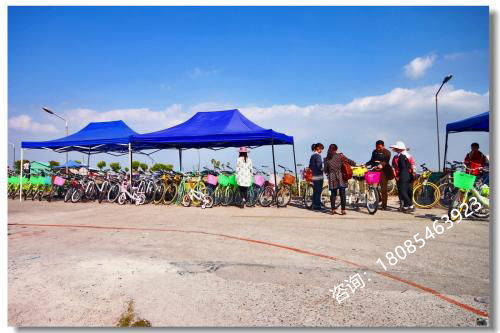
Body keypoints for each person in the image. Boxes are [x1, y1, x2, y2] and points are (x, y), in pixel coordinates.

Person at [324, 144, 356, 215]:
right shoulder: (340, 156)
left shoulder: (326, 158)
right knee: (342, 193)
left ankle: (332, 210)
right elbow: (350, 162)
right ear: (336, 149)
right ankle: (343, 210)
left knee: (333, 194)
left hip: (332, 176)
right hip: (340, 176)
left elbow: (325, 170)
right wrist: (355, 164)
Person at [366, 140, 394, 210]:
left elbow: (386, 161)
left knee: (383, 189)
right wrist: (365, 164)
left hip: (384, 172)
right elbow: (372, 160)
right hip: (375, 171)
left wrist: (381, 165)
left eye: (379, 147)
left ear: (383, 146)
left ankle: (384, 206)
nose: (378, 149)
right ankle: (379, 199)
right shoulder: (374, 151)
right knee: (373, 187)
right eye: (377, 147)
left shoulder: (387, 152)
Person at [390, 141, 415, 213]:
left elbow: (412, 165)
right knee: (402, 192)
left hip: (405, 175)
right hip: (401, 175)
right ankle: (405, 206)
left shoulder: (406, 156)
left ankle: (410, 206)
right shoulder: (396, 157)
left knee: (405, 191)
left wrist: (413, 173)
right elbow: (393, 166)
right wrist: (395, 175)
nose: (395, 149)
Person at [309, 143, 324, 211]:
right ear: (318, 148)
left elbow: (310, 166)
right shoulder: (318, 156)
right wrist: (324, 169)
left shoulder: (312, 156)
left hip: (314, 175)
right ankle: (317, 206)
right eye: (321, 149)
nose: (322, 151)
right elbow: (319, 166)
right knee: (318, 191)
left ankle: (314, 204)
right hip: (319, 176)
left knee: (315, 191)